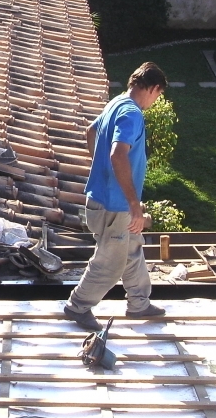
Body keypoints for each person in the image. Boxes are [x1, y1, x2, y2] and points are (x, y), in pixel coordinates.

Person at [64, 62, 168, 331]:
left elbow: (90, 130)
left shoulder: (117, 102)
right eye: (158, 96)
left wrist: (102, 172)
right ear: (153, 88)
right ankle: (78, 306)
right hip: (113, 205)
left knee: (131, 248)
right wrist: (134, 203)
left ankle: (139, 303)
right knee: (110, 261)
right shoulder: (132, 114)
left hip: (107, 198)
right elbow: (117, 154)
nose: (155, 102)